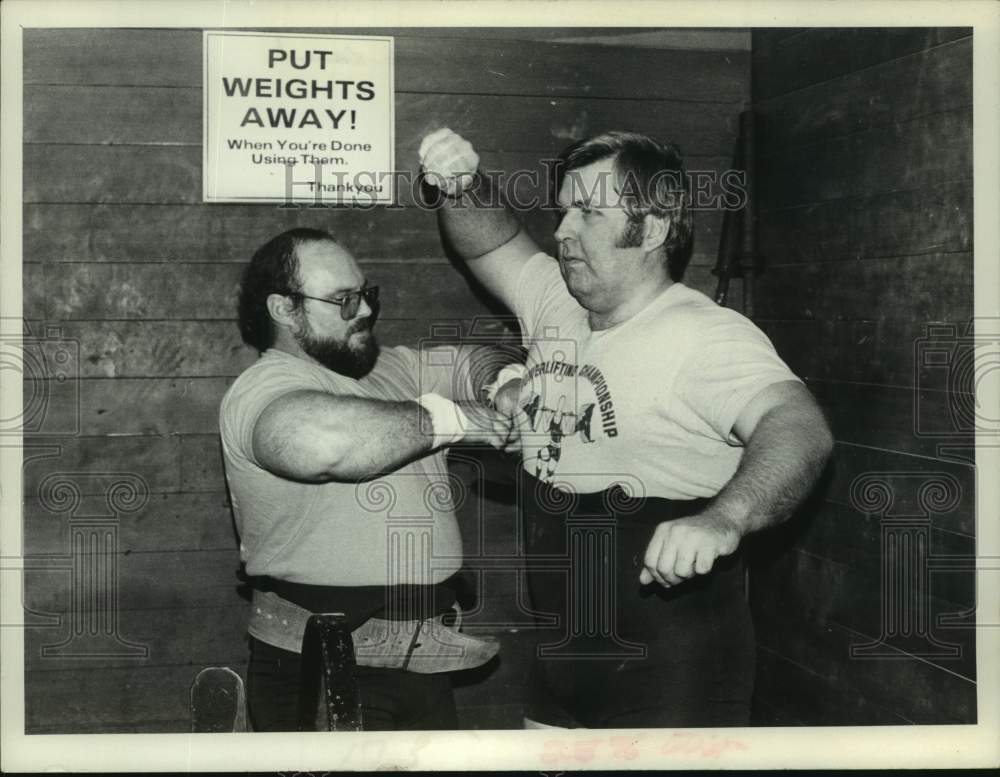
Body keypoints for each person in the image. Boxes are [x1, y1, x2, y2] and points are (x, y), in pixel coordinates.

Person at [419, 128, 834, 728]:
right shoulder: (557, 302)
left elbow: (800, 426)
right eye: (564, 210)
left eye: (588, 212)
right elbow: (489, 243)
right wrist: (460, 185)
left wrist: (725, 518)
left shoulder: (705, 335)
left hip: (672, 675)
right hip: (561, 665)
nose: (562, 231)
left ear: (653, 228)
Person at [219, 227, 512, 731]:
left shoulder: (389, 368)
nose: (365, 312)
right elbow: (324, 444)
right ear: (284, 310)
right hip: (322, 665)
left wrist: (509, 383)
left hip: (424, 661)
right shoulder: (265, 387)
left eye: (366, 295)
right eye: (342, 300)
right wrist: (456, 419)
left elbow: (472, 359)